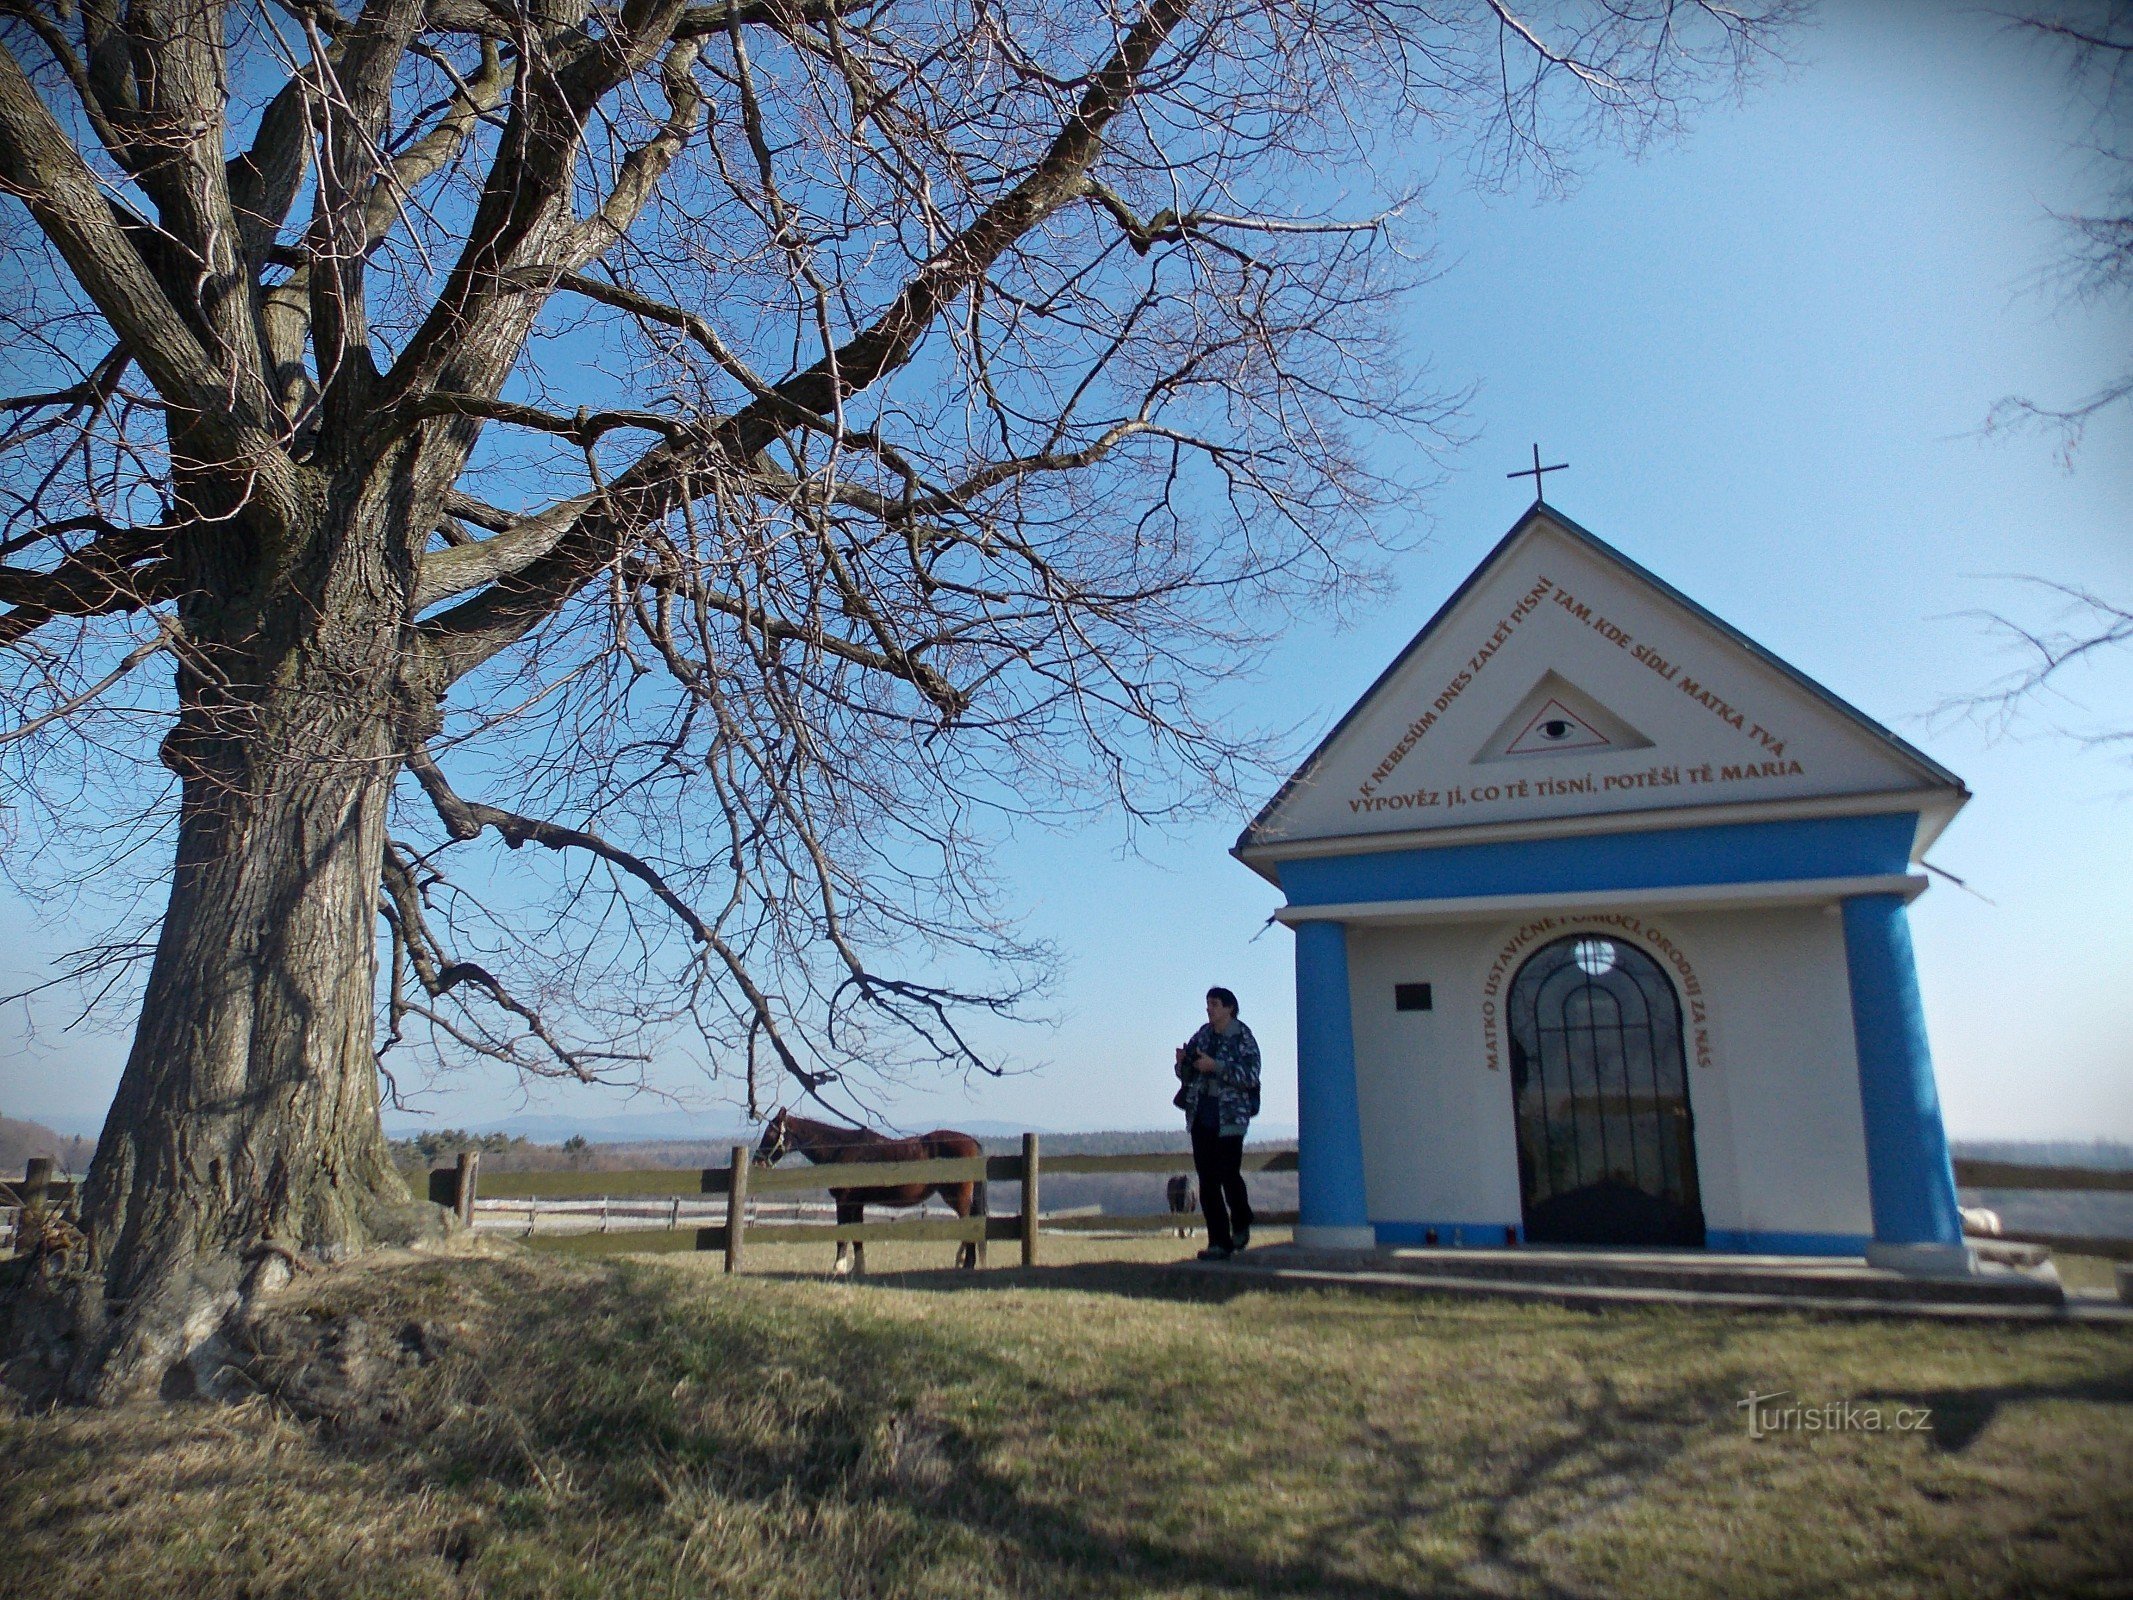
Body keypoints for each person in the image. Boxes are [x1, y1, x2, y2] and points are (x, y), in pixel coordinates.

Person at [1174, 986, 1260, 1260]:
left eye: (1214, 1004)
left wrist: (1218, 1067)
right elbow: (1185, 1074)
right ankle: (1218, 1242)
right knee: (1208, 1181)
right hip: (1202, 1114)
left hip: (1231, 1117)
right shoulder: (1202, 1034)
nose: (1209, 1008)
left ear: (1229, 1008)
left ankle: (1241, 1222)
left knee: (1228, 1174)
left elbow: (1251, 1075)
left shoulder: (1242, 1037)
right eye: (1207, 1003)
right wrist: (1183, 1063)